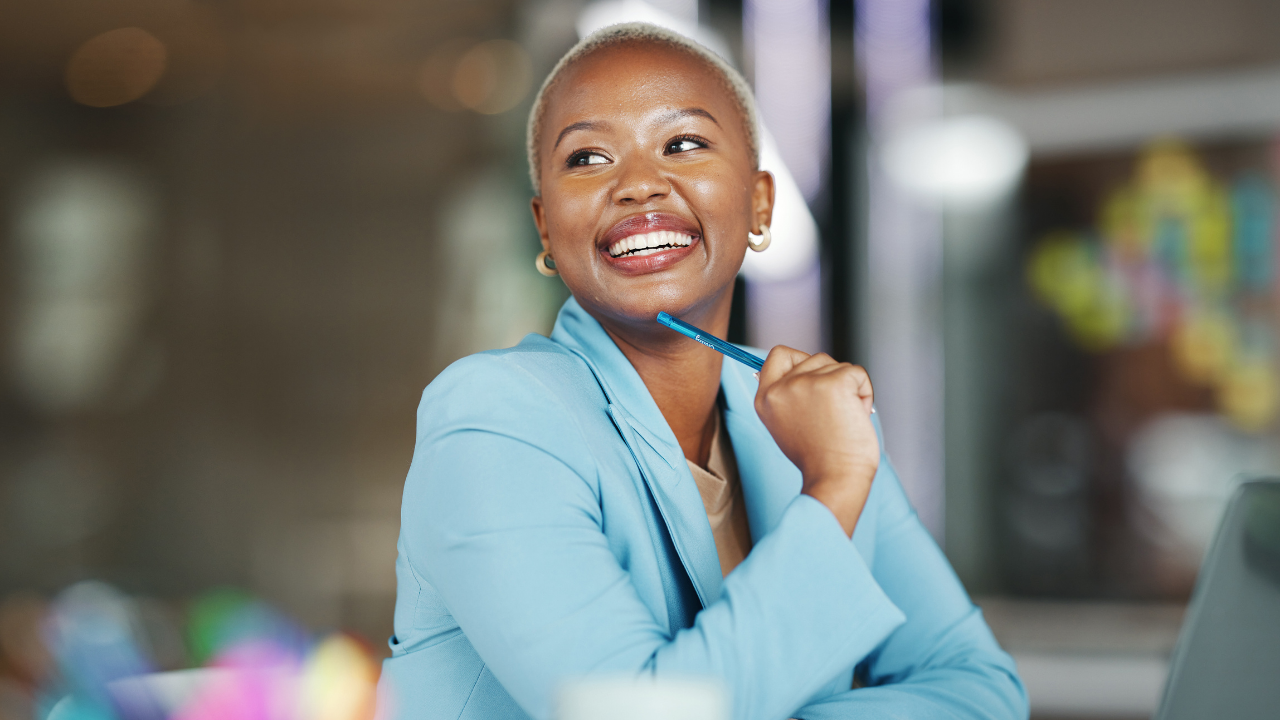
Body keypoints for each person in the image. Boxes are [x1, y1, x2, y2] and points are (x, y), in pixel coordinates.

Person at [381, 22, 1027, 720]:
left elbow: (983, 691)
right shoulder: (494, 420)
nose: (637, 185)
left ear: (760, 204)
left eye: (683, 144)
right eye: (588, 158)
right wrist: (835, 486)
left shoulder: (804, 418)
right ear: (545, 228)